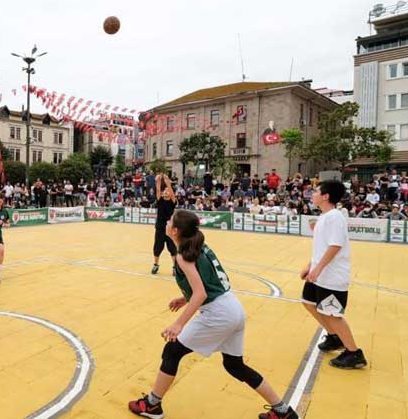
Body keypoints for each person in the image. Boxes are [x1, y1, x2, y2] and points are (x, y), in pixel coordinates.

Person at [128, 210, 298, 419]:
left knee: (172, 351)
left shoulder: (183, 255)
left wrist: (179, 323)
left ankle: (152, 405)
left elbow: (200, 293)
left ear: (175, 231)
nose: (167, 221)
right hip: (232, 307)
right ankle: (282, 411)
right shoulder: (198, 246)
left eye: (170, 220)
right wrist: (185, 298)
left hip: (218, 314)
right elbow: (208, 283)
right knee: (234, 366)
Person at [301, 180, 367, 369]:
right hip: (319, 274)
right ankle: (334, 336)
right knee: (308, 302)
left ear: (325, 196)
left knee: (332, 314)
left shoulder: (335, 217)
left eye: (316, 191)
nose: (313, 194)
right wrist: (310, 266)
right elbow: (321, 247)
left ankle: (354, 353)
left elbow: (335, 245)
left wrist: (318, 269)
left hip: (332, 276)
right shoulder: (324, 217)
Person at [151, 174, 177, 275]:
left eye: (167, 191)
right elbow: (158, 190)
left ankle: (175, 267)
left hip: (170, 229)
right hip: (160, 228)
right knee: (157, 247)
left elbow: (172, 193)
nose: (165, 192)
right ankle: (156, 264)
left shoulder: (172, 201)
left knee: (172, 248)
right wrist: (158, 181)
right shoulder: (160, 201)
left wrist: (167, 182)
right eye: (164, 191)